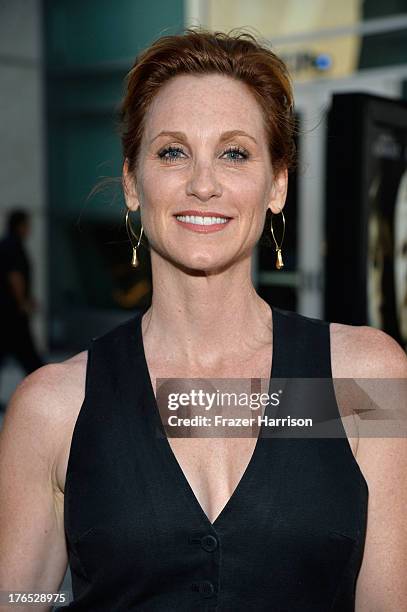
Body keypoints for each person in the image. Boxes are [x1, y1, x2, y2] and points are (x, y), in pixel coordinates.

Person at [0, 28, 406, 612]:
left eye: (234, 153)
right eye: (172, 151)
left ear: (278, 185)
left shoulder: (362, 383)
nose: (204, 183)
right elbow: (21, 600)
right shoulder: (53, 407)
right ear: (132, 183)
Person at [0, 209, 44, 412]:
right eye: (27, 225)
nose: (29, 230)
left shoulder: (5, 245)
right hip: (12, 315)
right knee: (30, 359)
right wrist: (23, 302)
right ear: (20, 226)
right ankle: (43, 392)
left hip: (6, 313)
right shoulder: (13, 247)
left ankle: (40, 391)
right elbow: (15, 276)